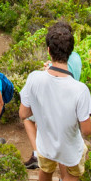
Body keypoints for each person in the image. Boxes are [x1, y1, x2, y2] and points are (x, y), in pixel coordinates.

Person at [18, 22, 91, 181]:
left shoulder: (34, 79)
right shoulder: (80, 90)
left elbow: (24, 114)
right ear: (71, 53)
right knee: (72, 175)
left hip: (44, 144)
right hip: (69, 148)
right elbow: (86, 130)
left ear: (48, 50)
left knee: (45, 169)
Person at [23, 22, 81, 170]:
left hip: (57, 102)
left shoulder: (63, 62)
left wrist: (49, 71)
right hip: (69, 104)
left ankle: (38, 154)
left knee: (29, 119)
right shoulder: (76, 58)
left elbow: (60, 80)